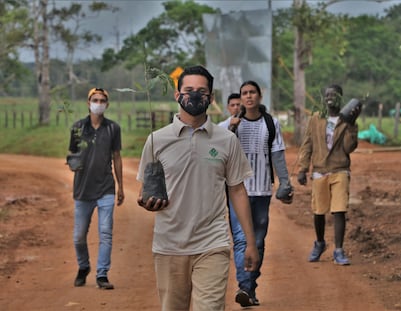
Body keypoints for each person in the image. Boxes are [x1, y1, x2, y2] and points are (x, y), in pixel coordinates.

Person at [136, 65, 259, 311]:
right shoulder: (156, 141)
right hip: (169, 244)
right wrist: (147, 202)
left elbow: (237, 190)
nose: (194, 96)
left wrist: (250, 243)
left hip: (212, 242)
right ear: (177, 95)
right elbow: (146, 190)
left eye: (201, 91)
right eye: (188, 90)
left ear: (211, 98)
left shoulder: (226, 141)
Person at [228, 80, 293, 307]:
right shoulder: (231, 124)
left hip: (263, 190)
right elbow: (218, 153)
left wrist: (285, 183)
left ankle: (251, 287)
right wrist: (231, 129)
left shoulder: (271, 123)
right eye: (244, 93)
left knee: (258, 241)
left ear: (259, 95)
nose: (248, 96)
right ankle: (244, 287)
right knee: (240, 239)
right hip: (237, 190)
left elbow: (278, 156)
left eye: (252, 92)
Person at [297, 84, 360, 265]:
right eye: (327, 94)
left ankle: (338, 250)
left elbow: (349, 148)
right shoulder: (316, 119)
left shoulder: (347, 120)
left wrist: (352, 126)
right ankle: (320, 243)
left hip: (340, 169)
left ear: (341, 98)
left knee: (339, 210)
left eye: (334, 94)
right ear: (323, 98)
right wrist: (303, 168)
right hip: (319, 171)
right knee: (319, 211)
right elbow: (307, 144)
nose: (330, 97)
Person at [67, 87, 124, 290]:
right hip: (83, 190)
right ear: (88, 102)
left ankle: (102, 274)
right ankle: (84, 267)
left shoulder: (113, 129)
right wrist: (74, 162)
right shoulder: (78, 128)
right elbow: (71, 154)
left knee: (105, 232)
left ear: (107, 105)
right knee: (79, 236)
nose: (98, 103)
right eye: (95, 100)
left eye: (102, 100)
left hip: (106, 188)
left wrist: (120, 186)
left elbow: (117, 157)